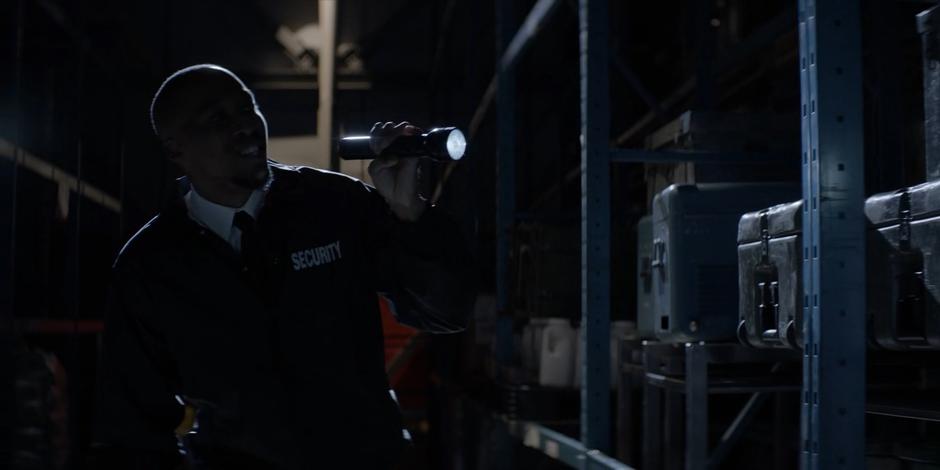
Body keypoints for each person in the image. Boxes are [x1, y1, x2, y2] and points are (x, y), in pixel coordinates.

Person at [94, 64, 473, 469]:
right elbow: (131, 427)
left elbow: (446, 312)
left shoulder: (334, 205)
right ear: (175, 148)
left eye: (247, 109)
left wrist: (410, 216)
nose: (244, 126)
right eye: (218, 118)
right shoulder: (151, 266)